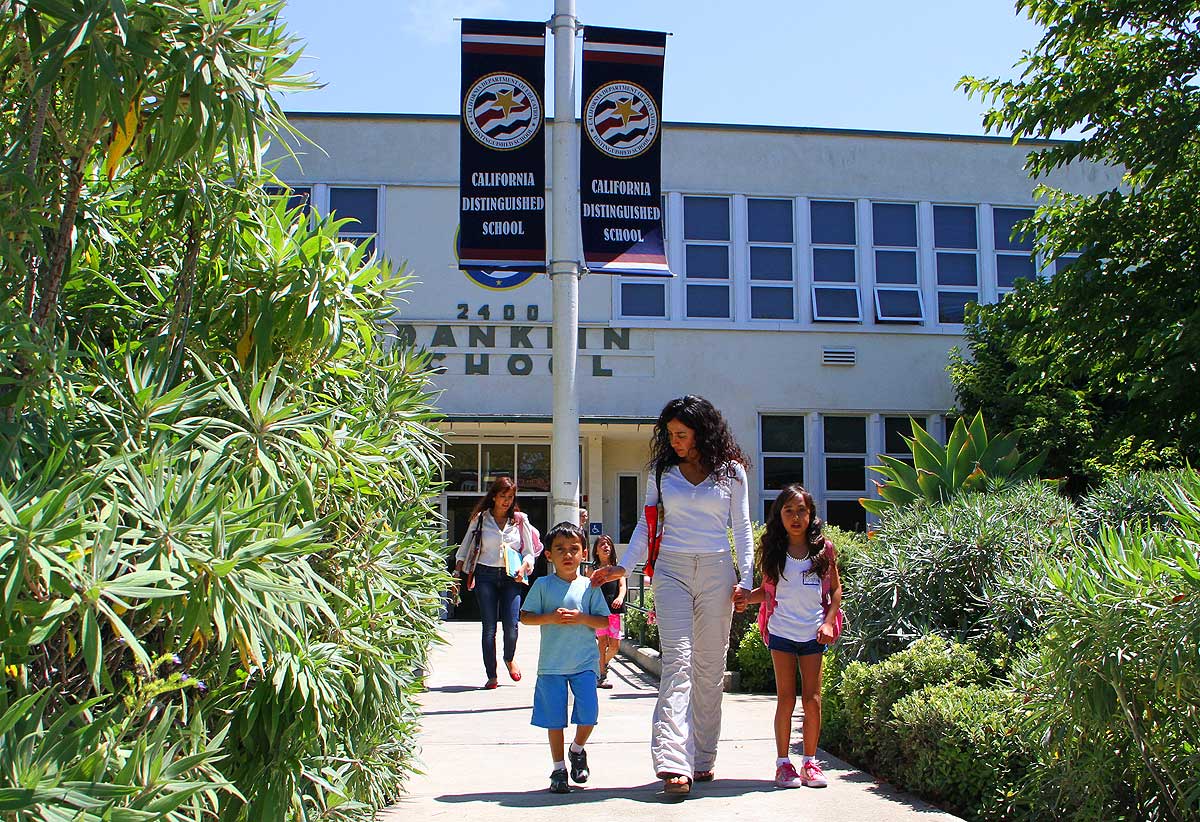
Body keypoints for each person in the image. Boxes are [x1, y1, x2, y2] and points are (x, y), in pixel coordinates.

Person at [590, 395, 754, 795]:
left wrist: (746, 580)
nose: (675, 442)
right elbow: (647, 526)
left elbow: (743, 527)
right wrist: (624, 566)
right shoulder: (662, 471)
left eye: (682, 434)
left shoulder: (731, 472)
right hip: (672, 570)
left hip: (717, 570)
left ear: (703, 431)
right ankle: (671, 761)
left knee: (710, 669)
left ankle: (702, 758)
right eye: (670, 435)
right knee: (678, 662)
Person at [742, 483, 842, 789]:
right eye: (789, 511)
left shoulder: (824, 550)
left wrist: (827, 623)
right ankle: (783, 764)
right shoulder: (773, 551)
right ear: (779, 516)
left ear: (811, 514)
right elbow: (767, 591)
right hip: (781, 633)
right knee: (785, 698)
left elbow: (836, 591)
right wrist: (745, 598)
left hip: (814, 634)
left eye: (802, 510)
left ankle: (810, 763)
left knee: (812, 700)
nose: (796, 517)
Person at [520, 522, 612, 794]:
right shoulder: (542, 585)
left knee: (589, 714)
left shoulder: (590, 586)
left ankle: (577, 749)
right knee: (554, 719)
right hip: (551, 665)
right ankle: (558, 769)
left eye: (574, 549)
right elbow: (525, 617)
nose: (567, 554)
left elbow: (603, 621)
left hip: (584, 664)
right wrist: (549, 617)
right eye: (560, 549)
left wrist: (582, 618)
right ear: (548, 555)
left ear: (584, 552)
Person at [453, 476, 537, 689]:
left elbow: (529, 552)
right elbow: (465, 546)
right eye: (502, 496)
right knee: (489, 627)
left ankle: (509, 658)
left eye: (510, 497)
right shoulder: (481, 519)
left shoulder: (519, 520)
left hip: (511, 577)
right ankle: (492, 674)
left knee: (511, 624)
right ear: (493, 497)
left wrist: (525, 565)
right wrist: (456, 573)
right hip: (485, 575)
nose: (507, 501)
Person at [591, 534, 625, 689]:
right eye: (602, 545)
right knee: (602, 642)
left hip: (614, 608)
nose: (605, 547)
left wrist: (620, 597)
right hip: (599, 609)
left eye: (608, 544)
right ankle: (602, 675)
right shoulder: (592, 569)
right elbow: (588, 589)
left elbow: (622, 585)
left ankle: (602, 663)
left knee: (615, 645)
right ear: (596, 551)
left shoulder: (617, 566)